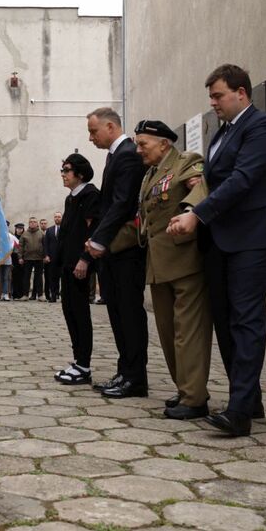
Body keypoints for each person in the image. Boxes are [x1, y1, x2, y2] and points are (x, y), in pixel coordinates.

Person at [168, 64, 266, 436]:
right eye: (211, 96)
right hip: (221, 238)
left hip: (254, 236)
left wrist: (198, 215)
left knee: (246, 319)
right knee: (223, 319)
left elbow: (243, 179)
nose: (213, 102)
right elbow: (213, 181)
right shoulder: (222, 133)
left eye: (218, 95)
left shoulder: (263, 127)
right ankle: (250, 399)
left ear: (241, 93)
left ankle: (239, 413)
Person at [135, 120, 212, 419]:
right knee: (167, 332)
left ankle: (195, 398)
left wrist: (191, 211)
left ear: (164, 144)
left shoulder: (186, 162)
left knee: (188, 332)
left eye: (143, 144)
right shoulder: (150, 174)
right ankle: (184, 388)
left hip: (185, 260)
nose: (139, 150)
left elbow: (201, 187)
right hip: (158, 264)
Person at [84, 106, 148, 399]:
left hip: (126, 249)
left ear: (110, 127)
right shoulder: (115, 155)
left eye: (93, 131)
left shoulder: (128, 155)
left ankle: (136, 378)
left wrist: (99, 240)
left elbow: (122, 203)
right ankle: (125, 372)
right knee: (117, 313)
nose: (91, 138)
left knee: (129, 313)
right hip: (114, 249)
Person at [53, 154, 100, 386]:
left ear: (80, 173)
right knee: (69, 311)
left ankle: (84, 365)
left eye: (67, 170)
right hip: (67, 265)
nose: (63, 174)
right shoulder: (70, 199)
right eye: (62, 170)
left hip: (80, 265)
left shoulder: (90, 195)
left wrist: (85, 259)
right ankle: (78, 360)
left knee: (80, 313)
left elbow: (93, 232)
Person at [19, 217, 45, 300]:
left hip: (39, 258)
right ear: (29, 223)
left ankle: (40, 295)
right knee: (26, 277)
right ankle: (25, 295)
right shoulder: (24, 234)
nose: (32, 223)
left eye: (34, 222)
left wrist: (45, 256)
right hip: (27, 258)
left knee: (39, 277)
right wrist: (20, 257)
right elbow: (20, 247)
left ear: (37, 224)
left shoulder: (41, 233)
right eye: (31, 222)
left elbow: (45, 246)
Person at [43, 213, 62, 302]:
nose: (57, 218)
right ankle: (53, 296)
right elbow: (46, 244)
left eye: (59, 217)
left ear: (62, 218)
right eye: (56, 217)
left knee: (63, 278)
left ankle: (63, 296)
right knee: (52, 278)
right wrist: (46, 255)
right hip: (52, 258)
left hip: (63, 258)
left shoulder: (65, 229)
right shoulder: (49, 230)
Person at [0, 221, 16, 301]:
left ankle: (6, 293)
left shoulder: (10, 236)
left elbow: (11, 248)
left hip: (7, 260)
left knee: (6, 277)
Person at [11, 223, 26, 299]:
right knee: (15, 277)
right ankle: (15, 294)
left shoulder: (25, 237)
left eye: (21, 228)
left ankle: (22, 294)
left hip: (23, 258)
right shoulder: (12, 237)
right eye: (18, 228)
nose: (20, 230)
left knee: (22, 277)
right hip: (14, 258)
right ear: (16, 229)